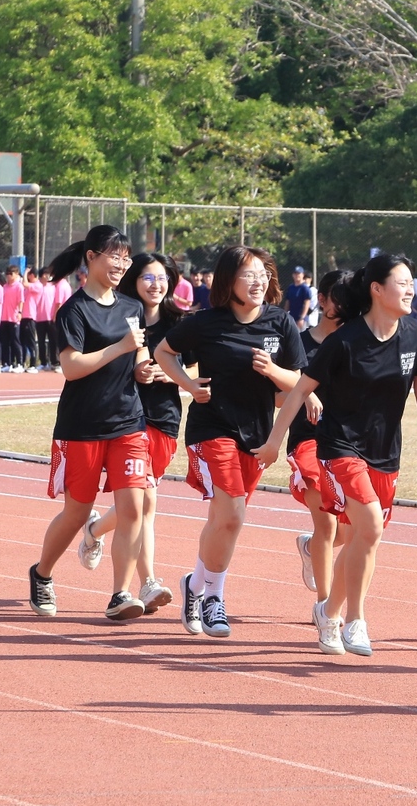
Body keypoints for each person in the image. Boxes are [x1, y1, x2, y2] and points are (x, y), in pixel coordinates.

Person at [258, 252, 417, 657]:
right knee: (370, 529)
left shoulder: (415, 333)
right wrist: (274, 441)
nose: (411, 289)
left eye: (413, 282)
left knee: (363, 538)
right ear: (377, 289)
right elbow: (301, 391)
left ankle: (328, 610)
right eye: (402, 281)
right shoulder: (344, 341)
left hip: (385, 453)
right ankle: (355, 620)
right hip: (340, 447)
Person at [153, 245, 306, 641]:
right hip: (212, 428)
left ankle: (194, 583)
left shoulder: (280, 322)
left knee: (222, 520)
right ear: (228, 281)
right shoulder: (206, 323)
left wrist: (273, 370)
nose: (258, 282)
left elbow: (301, 383)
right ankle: (214, 598)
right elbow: (164, 351)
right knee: (233, 515)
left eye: (262, 274)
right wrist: (187, 384)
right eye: (248, 275)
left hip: (256, 434)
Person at [27, 224, 151, 622]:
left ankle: (121, 593)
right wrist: (121, 348)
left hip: (128, 423)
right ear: (92, 257)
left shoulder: (132, 307)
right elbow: (72, 367)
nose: (121, 264)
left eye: (126, 257)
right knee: (77, 513)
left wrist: (144, 369)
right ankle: (42, 573)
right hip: (81, 426)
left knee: (133, 507)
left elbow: (136, 358)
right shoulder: (74, 310)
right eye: (114, 256)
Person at [74, 252, 185, 617]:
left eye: (162, 277)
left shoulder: (181, 322)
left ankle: (95, 528)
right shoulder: (121, 317)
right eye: (148, 278)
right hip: (129, 418)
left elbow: (200, 364)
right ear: (134, 281)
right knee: (145, 503)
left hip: (165, 418)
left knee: (136, 506)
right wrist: (138, 372)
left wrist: (171, 375)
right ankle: (148, 581)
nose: (156, 284)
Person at [282, 268, 357, 653]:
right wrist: (301, 392)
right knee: (328, 525)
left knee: (350, 530)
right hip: (308, 444)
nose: (342, 306)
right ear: (323, 300)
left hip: (348, 447)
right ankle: (327, 609)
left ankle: (311, 548)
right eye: (336, 298)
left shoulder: (357, 341)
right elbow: (279, 397)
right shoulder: (299, 342)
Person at [0, 265, 26, 371]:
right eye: (7, 274)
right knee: (5, 342)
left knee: (15, 341)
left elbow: (21, 301)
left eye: (11, 274)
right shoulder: (4, 287)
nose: (8, 276)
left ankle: (19, 363)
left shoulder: (19, 286)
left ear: (16, 274)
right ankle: (7, 363)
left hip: (14, 318)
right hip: (3, 318)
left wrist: (20, 312)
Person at [285, 265, 314, 330]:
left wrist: (302, 318)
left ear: (303, 275)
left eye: (299, 273)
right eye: (295, 273)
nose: (297, 275)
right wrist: (285, 314)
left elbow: (307, 303)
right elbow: (288, 302)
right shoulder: (291, 287)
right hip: (291, 317)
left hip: (301, 320)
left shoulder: (305, 288)